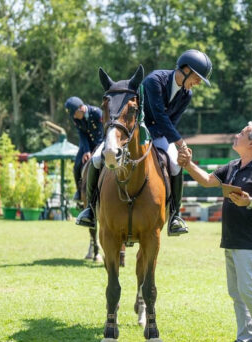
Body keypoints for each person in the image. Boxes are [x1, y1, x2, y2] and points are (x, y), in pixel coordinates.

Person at [75, 49, 212, 233]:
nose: (198, 83)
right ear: (186, 69)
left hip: (160, 134)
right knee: (97, 158)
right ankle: (90, 210)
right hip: (134, 132)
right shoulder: (155, 81)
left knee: (175, 164)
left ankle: (174, 216)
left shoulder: (186, 95)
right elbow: (159, 115)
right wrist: (181, 143)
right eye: (197, 77)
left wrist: (174, 143)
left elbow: (172, 122)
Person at [178, 122, 252, 342]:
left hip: (251, 240)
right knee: (237, 292)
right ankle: (245, 339)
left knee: (248, 290)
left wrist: (250, 202)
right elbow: (206, 180)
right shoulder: (233, 166)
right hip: (232, 239)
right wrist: (188, 164)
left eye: (242, 134)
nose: (236, 135)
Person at [64, 96, 104, 203]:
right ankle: (79, 191)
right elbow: (82, 134)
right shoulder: (76, 119)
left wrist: (95, 150)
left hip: (101, 143)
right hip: (86, 145)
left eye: (75, 113)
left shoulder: (97, 113)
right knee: (77, 165)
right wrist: (86, 151)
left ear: (81, 108)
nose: (74, 117)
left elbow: (102, 133)